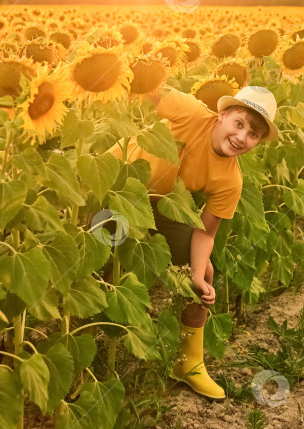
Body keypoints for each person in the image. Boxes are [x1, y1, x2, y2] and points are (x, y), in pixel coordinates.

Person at [110, 83, 279, 400]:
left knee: (206, 274)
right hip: (117, 184)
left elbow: (205, 232)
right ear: (221, 115)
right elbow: (148, 86)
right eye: (238, 123)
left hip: (162, 205)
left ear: (257, 143)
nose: (242, 137)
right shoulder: (190, 112)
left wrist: (198, 275)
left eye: (253, 134)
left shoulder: (231, 180)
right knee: (102, 253)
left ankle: (188, 364)